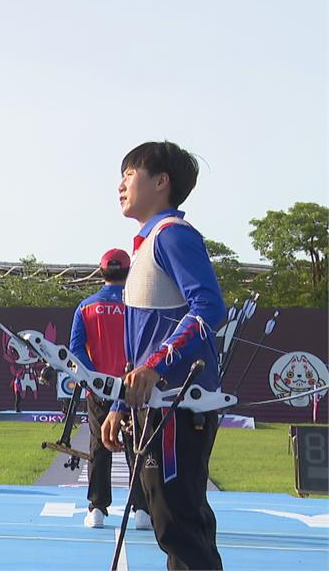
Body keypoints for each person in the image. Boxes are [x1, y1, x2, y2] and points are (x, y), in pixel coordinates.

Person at [101, 141, 226, 569]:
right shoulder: (147, 244)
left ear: (160, 181)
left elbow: (209, 307)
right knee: (173, 525)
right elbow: (140, 344)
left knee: (179, 526)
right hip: (156, 406)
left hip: (178, 406)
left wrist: (155, 367)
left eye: (129, 173)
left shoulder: (172, 235)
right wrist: (121, 403)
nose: (120, 184)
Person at [70, 248, 151, 530]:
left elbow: (76, 350)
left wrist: (94, 378)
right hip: (133, 388)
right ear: (128, 272)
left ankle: (97, 509)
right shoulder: (138, 306)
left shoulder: (85, 307)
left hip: (99, 390)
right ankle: (142, 510)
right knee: (136, 447)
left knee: (98, 446)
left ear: (101, 271)